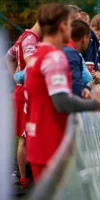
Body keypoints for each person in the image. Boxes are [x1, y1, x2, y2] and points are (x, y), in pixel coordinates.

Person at [25, 3, 100, 182]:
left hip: (38, 142)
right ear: (63, 26)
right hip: (51, 145)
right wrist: (96, 104)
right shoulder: (55, 57)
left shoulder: (39, 54)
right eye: (70, 24)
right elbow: (61, 102)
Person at [5, 21, 41, 188]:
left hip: (28, 92)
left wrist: (16, 78)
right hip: (26, 94)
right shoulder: (30, 40)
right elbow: (32, 62)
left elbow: (9, 56)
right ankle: (24, 178)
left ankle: (29, 175)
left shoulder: (24, 37)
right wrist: (19, 79)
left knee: (32, 136)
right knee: (25, 138)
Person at [63, 20, 92, 98]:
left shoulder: (59, 47)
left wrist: (85, 88)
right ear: (84, 38)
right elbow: (76, 89)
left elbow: (26, 74)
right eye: (89, 39)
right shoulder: (70, 53)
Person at [82, 14, 100, 83]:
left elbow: (92, 65)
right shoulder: (89, 39)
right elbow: (85, 64)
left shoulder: (95, 41)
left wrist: (98, 71)